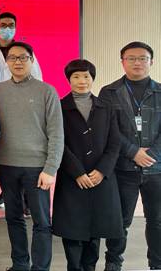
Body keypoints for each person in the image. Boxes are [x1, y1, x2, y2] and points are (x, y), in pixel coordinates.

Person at [0, 41, 63, 271]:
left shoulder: (46, 91)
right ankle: (20, 264)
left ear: (32, 60)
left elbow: (56, 132)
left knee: (41, 222)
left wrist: (51, 168)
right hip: (6, 165)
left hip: (37, 168)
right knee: (13, 218)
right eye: (12, 58)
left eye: (23, 57)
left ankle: (40, 268)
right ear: (6, 62)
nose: (18, 62)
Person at [52, 59, 123, 271]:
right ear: (68, 80)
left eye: (86, 76)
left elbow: (115, 142)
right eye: (76, 76)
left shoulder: (106, 107)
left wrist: (102, 171)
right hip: (72, 178)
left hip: (100, 178)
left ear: (92, 79)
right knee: (73, 230)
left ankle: (89, 267)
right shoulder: (59, 107)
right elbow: (58, 142)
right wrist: (77, 172)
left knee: (96, 229)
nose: (82, 81)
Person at [99, 41, 161, 271]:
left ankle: (157, 265)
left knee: (157, 221)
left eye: (142, 58)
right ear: (122, 62)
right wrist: (133, 151)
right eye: (131, 58)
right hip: (123, 167)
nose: (137, 62)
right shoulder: (109, 92)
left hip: (157, 168)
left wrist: (151, 154)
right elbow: (107, 128)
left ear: (151, 62)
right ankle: (113, 263)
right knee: (120, 220)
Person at [0, 12, 41, 211]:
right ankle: (6, 192)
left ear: (16, 28)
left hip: (21, 107)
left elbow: (37, 79)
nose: (6, 28)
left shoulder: (25, 52)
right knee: (2, 148)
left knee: (19, 149)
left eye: (10, 25)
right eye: (3, 25)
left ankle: (26, 199)